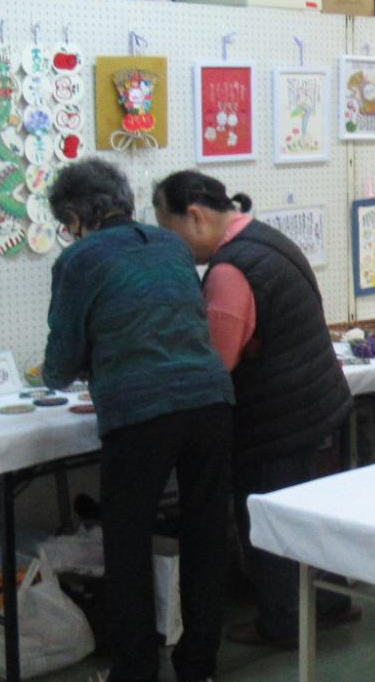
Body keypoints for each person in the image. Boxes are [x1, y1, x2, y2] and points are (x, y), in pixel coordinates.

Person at [42, 159, 234, 682]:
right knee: (205, 532)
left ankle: (136, 678)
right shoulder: (171, 245)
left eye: (66, 224)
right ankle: (198, 669)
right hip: (210, 398)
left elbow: (63, 356)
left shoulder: (78, 259)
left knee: (126, 540)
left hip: (141, 409)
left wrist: (59, 374)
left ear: (76, 217)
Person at [152, 170, 356, 650]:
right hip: (313, 399)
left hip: (274, 416)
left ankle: (281, 622)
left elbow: (217, 362)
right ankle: (332, 601)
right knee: (308, 514)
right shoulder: (267, 239)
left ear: (196, 217)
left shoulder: (229, 271)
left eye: (168, 229)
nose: (169, 243)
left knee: (265, 519)